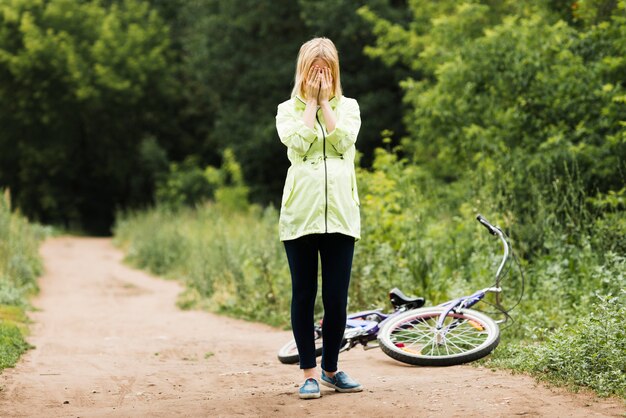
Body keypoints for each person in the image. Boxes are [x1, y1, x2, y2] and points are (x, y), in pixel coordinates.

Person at [275, 37, 363, 399]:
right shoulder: (286, 109)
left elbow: (344, 143)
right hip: (301, 216)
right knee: (304, 294)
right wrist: (309, 103)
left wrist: (326, 103)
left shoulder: (350, 107)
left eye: (326, 71)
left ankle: (331, 368)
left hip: (341, 214)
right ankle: (309, 372)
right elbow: (297, 145)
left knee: (337, 298)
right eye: (314, 71)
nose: (320, 77)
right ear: (303, 71)